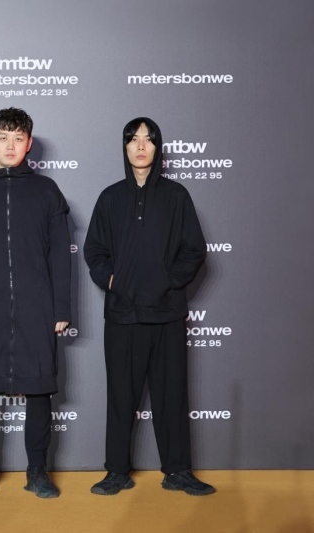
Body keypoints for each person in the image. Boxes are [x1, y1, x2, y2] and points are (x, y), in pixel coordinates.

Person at [83, 117, 214, 496]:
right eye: (133, 139)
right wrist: (113, 281)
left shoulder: (176, 196)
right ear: (124, 147)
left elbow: (195, 250)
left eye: (148, 139)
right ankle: (116, 471)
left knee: (171, 396)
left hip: (167, 314)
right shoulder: (110, 198)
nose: (141, 146)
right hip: (122, 315)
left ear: (158, 147)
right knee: (120, 397)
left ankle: (178, 471)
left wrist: (168, 281)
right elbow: (94, 250)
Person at [0, 107, 71, 499]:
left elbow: (60, 254)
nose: (10, 145)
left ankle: (37, 471)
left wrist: (61, 309)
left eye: (18, 138)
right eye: (3, 137)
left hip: (36, 308)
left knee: (39, 390)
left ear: (29, 143)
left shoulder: (47, 191)